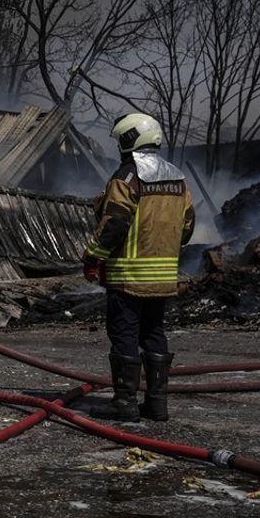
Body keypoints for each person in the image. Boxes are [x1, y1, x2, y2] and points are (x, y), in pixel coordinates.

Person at [83, 113, 195, 422]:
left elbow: (116, 222)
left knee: (124, 335)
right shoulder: (178, 178)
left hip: (128, 277)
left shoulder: (127, 177)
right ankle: (157, 405)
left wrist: (93, 256)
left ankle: (125, 403)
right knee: (154, 334)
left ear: (128, 140)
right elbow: (187, 225)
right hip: (162, 279)